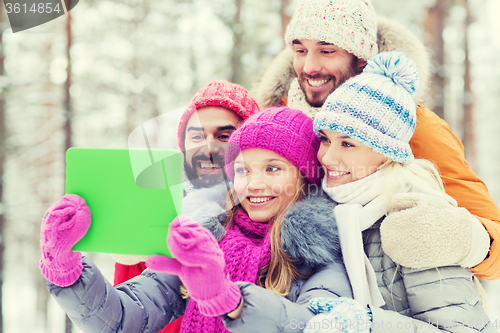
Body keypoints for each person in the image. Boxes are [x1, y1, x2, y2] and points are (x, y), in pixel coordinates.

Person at [40, 107, 354, 333]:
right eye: (244, 170)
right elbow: (124, 319)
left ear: (304, 177)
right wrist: (67, 270)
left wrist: (232, 301)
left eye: (272, 168)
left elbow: (317, 325)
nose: (254, 183)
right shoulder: (205, 241)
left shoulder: (321, 257)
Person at [252, 0, 500, 280]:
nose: (309, 66)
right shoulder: (278, 120)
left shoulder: (414, 128)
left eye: (327, 50)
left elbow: (495, 243)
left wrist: (460, 238)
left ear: (360, 57)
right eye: (300, 50)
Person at [296, 51, 494, 332]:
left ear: (387, 154)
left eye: (348, 144)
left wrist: (367, 323)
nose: (327, 157)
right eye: (325, 140)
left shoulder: (418, 220)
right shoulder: (331, 208)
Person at [113, 79, 260, 285]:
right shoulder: (151, 214)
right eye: (198, 136)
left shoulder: (267, 214)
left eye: (225, 136)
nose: (208, 148)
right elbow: (122, 308)